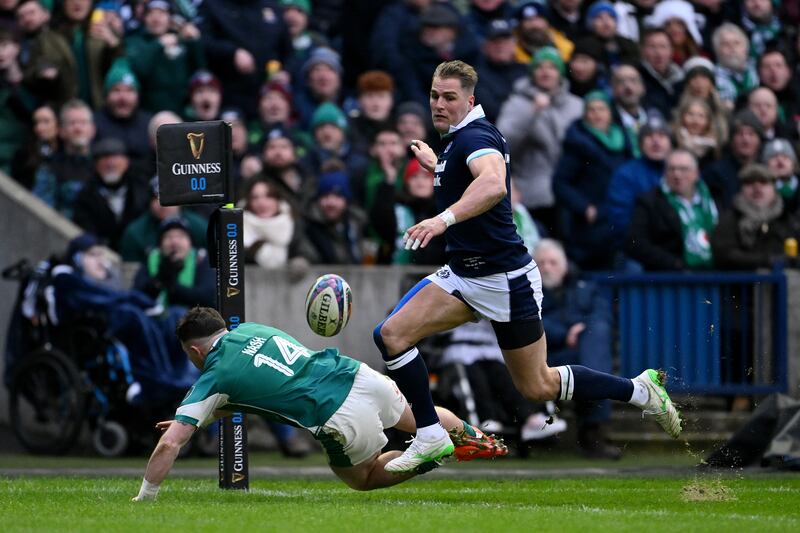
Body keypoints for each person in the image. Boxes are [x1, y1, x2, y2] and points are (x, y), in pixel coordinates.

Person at [373, 60, 682, 474]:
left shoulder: (476, 136)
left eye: (449, 97)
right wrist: (437, 166)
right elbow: (470, 178)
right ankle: (430, 434)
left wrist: (440, 220)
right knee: (391, 334)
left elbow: (493, 183)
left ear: (470, 100)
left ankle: (640, 390)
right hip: (466, 275)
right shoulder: (456, 141)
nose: (439, 104)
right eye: (434, 96)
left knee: (537, 385)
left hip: (505, 280)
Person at [132, 307, 507, 500]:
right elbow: (251, 391)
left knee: (363, 478)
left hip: (335, 413)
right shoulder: (252, 329)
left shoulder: (212, 375)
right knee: (417, 417)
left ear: (195, 351)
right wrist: (203, 420)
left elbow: (170, 444)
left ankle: (432, 454)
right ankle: (477, 438)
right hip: (356, 374)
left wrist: (146, 496)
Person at [535, 239, 619, 459]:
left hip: (583, 352)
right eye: (541, 263)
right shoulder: (530, 293)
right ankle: (595, 423)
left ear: (564, 264)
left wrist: (582, 330)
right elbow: (532, 324)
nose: (547, 267)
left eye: (552, 262)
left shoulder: (587, 286)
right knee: (594, 358)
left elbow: (603, 314)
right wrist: (566, 333)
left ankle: (592, 387)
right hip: (549, 356)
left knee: (597, 330)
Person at [627, 149, 718, 270]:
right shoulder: (650, 202)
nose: (677, 175)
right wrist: (675, 264)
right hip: (670, 277)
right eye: (671, 169)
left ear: (696, 173)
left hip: (713, 274)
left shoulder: (712, 199)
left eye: (683, 169)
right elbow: (635, 243)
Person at [711, 164, 800, 270]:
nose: (757, 188)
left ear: (774, 188)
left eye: (763, 182)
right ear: (741, 189)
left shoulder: (786, 219)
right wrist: (766, 260)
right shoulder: (730, 219)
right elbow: (725, 254)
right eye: (750, 183)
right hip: (741, 283)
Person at [132, 217, 215, 309]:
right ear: (160, 244)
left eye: (181, 236)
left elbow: (209, 298)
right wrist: (158, 281)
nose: (174, 242)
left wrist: (174, 289)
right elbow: (136, 295)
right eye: (168, 237)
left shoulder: (200, 260)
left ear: (190, 242)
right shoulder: (152, 259)